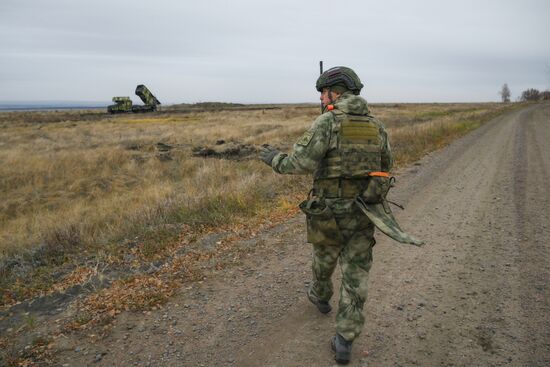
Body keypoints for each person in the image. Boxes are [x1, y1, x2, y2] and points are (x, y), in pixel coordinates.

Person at [259, 66, 393, 364]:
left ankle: (320, 296)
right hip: (362, 212)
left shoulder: (327, 122)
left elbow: (300, 163)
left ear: (337, 92)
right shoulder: (377, 126)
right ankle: (345, 340)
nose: (321, 97)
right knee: (356, 276)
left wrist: (273, 159)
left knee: (324, 258)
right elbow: (387, 165)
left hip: (327, 212)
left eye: (324, 91)